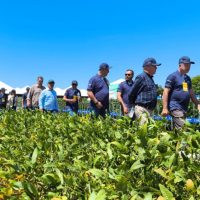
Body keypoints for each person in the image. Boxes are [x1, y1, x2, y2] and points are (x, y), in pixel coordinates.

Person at [161, 56, 200, 129]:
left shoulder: (187, 78)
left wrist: (197, 103)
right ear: (180, 65)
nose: (189, 67)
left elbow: (191, 93)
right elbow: (165, 92)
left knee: (179, 131)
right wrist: (164, 108)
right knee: (182, 129)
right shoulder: (173, 76)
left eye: (189, 65)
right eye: (186, 65)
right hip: (175, 107)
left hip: (184, 108)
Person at [129, 58, 161, 124]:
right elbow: (131, 93)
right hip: (142, 109)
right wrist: (135, 105)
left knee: (148, 131)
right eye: (154, 66)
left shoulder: (150, 78)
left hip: (149, 110)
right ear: (148, 66)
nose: (156, 68)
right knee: (144, 131)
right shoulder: (141, 77)